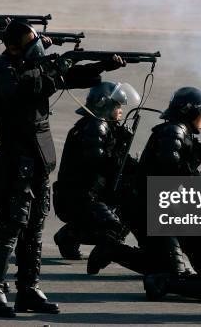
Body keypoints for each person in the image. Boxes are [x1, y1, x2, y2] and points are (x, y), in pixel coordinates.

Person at [0, 20, 126, 317]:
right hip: (16, 161)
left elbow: (68, 77)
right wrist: (56, 66)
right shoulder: (4, 69)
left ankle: (28, 289)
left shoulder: (33, 68)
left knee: (34, 230)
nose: (38, 46)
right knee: (11, 227)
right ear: (13, 46)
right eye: (31, 42)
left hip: (37, 162)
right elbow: (21, 89)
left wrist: (102, 66)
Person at [130, 87, 201, 302]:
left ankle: (161, 277)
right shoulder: (174, 132)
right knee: (175, 272)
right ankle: (158, 279)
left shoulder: (178, 130)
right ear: (189, 112)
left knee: (169, 267)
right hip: (157, 211)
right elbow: (168, 175)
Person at [53, 81, 143, 271]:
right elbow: (101, 163)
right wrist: (122, 148)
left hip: (86, 194)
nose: (121, 110)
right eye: (117, 105)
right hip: (82, 197)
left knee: (123, 213)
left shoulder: (103, 125)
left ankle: (69, 235)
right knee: (114, 227)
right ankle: (89, 244)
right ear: (105, 104)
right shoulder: (96, 126)